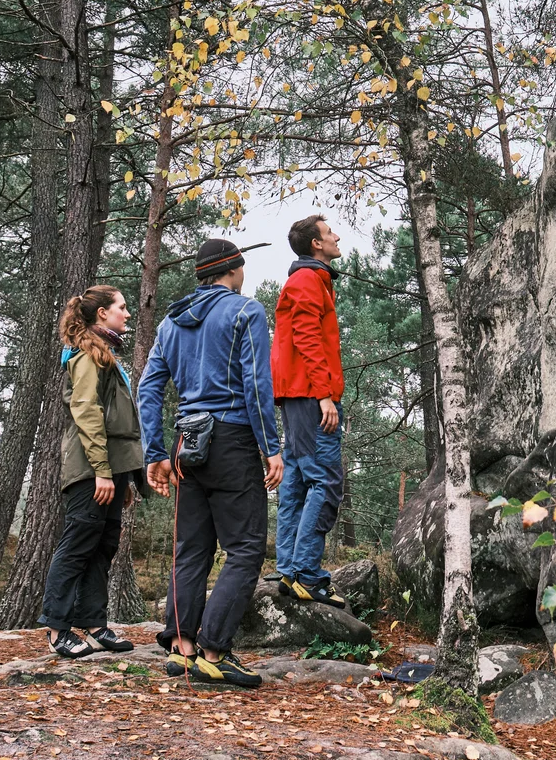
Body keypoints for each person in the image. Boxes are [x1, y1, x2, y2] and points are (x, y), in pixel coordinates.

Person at [139, 238, 283, 689]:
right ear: (234, 270)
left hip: (187, 445)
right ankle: (215, 652)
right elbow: (257, 385)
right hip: (232, 439)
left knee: (191, 549)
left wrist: (156, 454)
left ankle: (182, 650)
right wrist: (272, 447)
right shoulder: (246, 311)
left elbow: (147, 390)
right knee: (244, 548)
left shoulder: (170, 322)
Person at [41, 285, 146, 659]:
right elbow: (86, 411)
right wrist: (102, 471)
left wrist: (123, 476)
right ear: (102, 313)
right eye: (121, 307)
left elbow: (119, 417)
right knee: (77, 546)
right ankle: (57, 629)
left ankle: (95, 624)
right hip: (90, 470)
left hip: (110, 470)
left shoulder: (107, 354)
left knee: (104, 546)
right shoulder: (87, 354)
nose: (127, 314)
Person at [269, 215, 347, 608]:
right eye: (329, 232)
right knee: (326, 482)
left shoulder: (308, 280)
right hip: (310, 395)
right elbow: (306, 338)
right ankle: (307, 574)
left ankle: (289, 570)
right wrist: (324, 395)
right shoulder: (306, 281)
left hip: (297, 395)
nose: (335, 236)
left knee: (298, 479)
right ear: (316, 244)